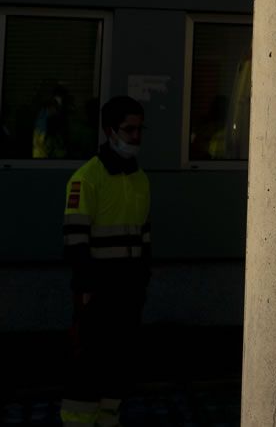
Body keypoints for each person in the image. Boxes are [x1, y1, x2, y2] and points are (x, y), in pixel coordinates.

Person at [59, 96, 151, 427]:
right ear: (110, 131)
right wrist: (86, 287)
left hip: (129, 288)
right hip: (98, 289)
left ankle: (108, 420)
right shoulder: (86, 179)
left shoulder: (140, 179)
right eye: (129, 129)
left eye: (140, 129)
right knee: (89, 364)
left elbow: (145, 236)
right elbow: (75, 240)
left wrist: (143, 279)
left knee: (120, 364)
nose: (136, 137)